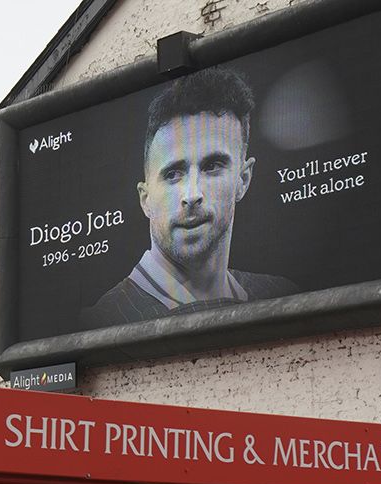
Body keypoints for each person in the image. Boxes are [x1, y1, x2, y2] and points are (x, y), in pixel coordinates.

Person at [82, 67, 297, 329]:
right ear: (145, 198)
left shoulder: (282, 295)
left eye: (213, 166)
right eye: (173, 173)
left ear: (243, 179)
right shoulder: (100, 323)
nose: (192, 195)